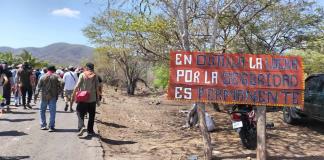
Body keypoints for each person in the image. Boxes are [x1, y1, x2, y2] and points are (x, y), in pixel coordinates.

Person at [72, 63, 100, 137]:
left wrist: (74, 96)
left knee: (79, 112)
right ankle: (90, 131)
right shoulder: (95, 76)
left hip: (82, 98)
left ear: (87, 67)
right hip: (92, 99)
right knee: (91, 115)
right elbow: (97, 88)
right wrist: (98, 99)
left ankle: (82, 126)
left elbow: (77, 86)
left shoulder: (82, 74)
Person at [34, 65, 62, 132]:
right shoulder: (56, 76)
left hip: (44, 96)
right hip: (53, 96)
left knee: (42, 111)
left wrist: (35, 96)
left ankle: (43, 125)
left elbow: (38, 87)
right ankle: (51, 127)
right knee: (52, 112)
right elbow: (62, 82)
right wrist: (59, 90)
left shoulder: (42, 76)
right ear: (53, 70)